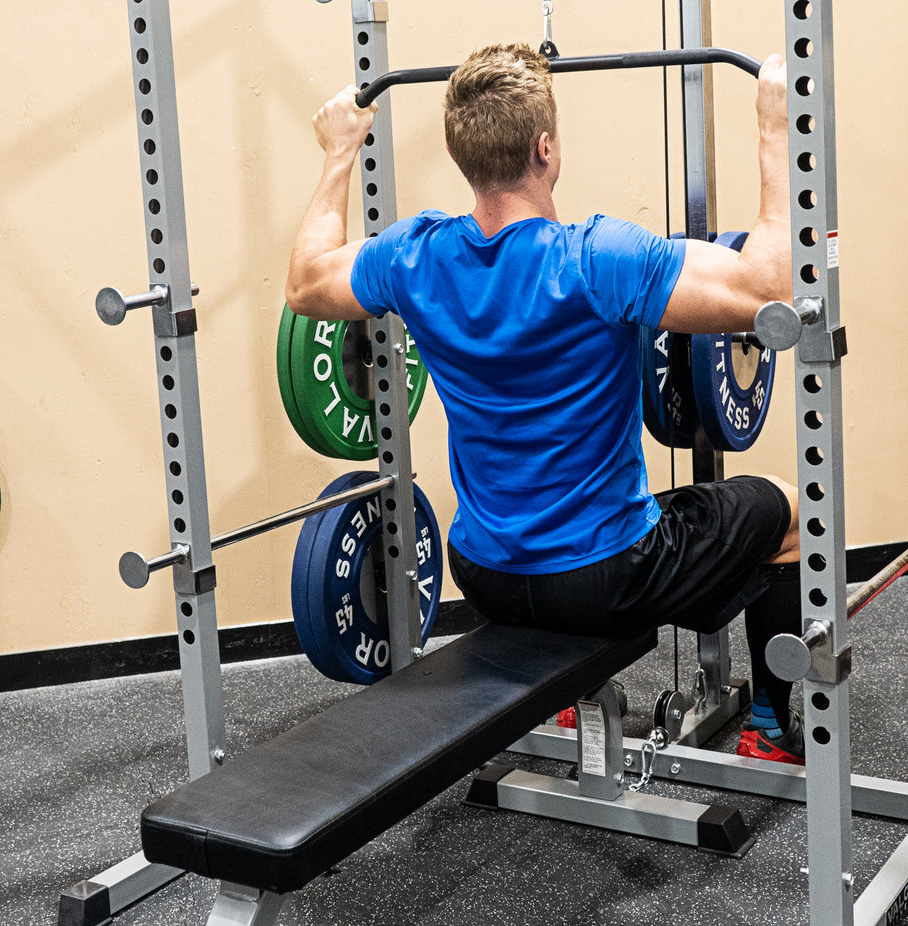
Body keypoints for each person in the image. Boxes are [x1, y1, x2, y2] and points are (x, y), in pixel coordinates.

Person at [286, 43, 804, 765]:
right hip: (607, 580)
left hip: (485, 574)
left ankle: (566, 703)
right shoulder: (598, 259)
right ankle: (777, 733)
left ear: (461, 154)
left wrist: (340, 151)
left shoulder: (414, 257)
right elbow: (769, 293)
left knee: (616, 529)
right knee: (788, 512)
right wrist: (774, 126)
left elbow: (307, 282)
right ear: (546, 147)